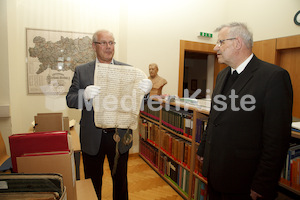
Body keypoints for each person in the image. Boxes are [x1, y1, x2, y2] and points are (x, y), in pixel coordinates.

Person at [196, 22, 293, 200]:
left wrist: (262, 184)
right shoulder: (222, 75)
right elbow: (215, 118)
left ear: (238, 43)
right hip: (216, 172)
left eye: (220, 42)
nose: (215, 47)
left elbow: (276, 140)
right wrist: (203, 150)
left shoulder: (273, 77)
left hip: (244, 181)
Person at [66, 30, 152, 200]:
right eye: (103, 43)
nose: (108, 47)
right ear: (94, 46)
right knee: (92, 182)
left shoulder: (128, 71)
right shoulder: (82, 71)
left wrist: (147, 93)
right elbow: (70, 99)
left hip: (119, 137)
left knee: (120, 182)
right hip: (92, 137)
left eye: (111, 43)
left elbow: (140, 103)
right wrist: (84, 95)